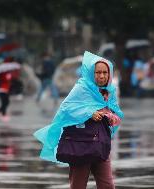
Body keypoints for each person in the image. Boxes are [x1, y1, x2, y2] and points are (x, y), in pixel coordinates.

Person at [34, 51, 124, 189]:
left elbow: (116, 114)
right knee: (78, 186)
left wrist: (111, 117)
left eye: (105, 73)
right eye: (98, 72)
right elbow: (66, 108)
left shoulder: (109, 92)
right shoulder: (81, 89)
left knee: (107, 185)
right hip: (81, 145)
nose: (102, 76)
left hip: (101, 145)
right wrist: (89, 113)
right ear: (91, 73)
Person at [0, 57, 20, 121]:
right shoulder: (2, 74)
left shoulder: (9, 74)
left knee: (6, 102)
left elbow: (11, 80)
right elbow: (1, 80)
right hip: (2, 89)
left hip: (7, 90)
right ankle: (3, 114)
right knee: (4, 102)